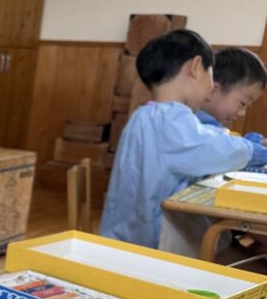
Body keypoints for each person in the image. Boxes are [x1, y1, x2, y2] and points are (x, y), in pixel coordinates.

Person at [100, 30, 267, 251]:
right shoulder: (169, 118)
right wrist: (258, 152)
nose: (211, 88)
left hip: (127, 235)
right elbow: (214, 149)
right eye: (210, 74)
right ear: (196, 67)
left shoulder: (147, 115)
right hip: (147, 245)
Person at [196, 47, 267, 142]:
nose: (243, 113)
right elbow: (232, 146)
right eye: (243, 103)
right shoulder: (196, 127)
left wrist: (258, 142)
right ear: (213, 90)